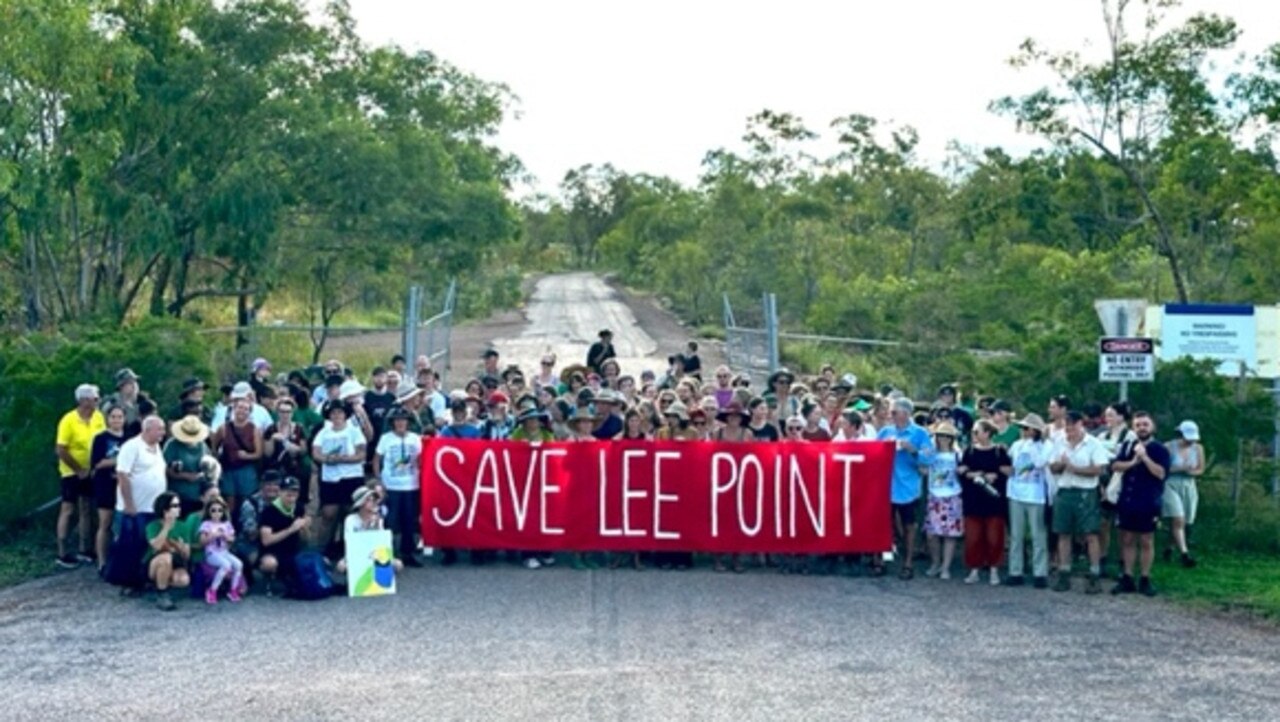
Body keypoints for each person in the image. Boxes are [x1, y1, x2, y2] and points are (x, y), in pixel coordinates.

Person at [1049, 410, 1112, 594]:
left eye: (1072, 428)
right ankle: (1064, 572)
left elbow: (1098, 469)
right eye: (1067, 428)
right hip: (1065, 491)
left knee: (1091, 534)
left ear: (1080, 425)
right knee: (1063, 533)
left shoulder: (1093, 444)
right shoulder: (1059, 441)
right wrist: (1061, 465)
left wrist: (1074, 468)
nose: (1069, 432)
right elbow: (1052, 466)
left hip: (1085, 492)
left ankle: (1094, 574)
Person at [1110, 412, 1170, 597]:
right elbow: (1115, 466)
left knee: (1146, 540)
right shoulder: (1128, 446)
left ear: (1152, 427)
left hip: (1149, 501)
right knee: (1127, 538)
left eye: (1145, 424)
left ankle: (1145, 578)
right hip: (1128, 499)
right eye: (1138, 425)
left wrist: (1144, 458)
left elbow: (1161, 473)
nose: (1141, 428)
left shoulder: (1160, 449)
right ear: (1133, 428)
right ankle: (1127, 576)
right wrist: (1133, 461)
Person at [876, 397, 933, 579]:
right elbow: (873, 454)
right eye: (890, 412)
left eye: (894, 412)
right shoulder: (885, 431)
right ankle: (883, 559)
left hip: (908, 488)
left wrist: (913, 450)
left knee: (910, 527)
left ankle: (908, 563)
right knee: (884, 526)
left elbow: (929, 459)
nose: (891, 415)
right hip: (887, 486)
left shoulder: (920, 433)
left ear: (906, 414)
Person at [55, 384, 106, 568]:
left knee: (86, 507)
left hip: (91, 470)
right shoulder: (69, 420)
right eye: (95, 398)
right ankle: (62, 552)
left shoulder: (99, 417)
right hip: (71, 471)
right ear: (84, 400)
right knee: (68, 509)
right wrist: (78, 470)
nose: (98, 401)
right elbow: (60, 449)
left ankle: (85, 548)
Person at [958, 419, 1011, 586]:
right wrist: (973, 475)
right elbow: (961, 471)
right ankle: (974, 569)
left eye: (977, 431)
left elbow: (1008, 471)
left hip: (994, 501)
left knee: (994, 537)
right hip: (973, 501)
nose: (974, 435)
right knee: (973, 538)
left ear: (987, 433)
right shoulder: (969, 451)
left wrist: (994, 475)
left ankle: (994, 568)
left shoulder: (999, 451)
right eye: (973, 432)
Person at [312, 400, 367, 559]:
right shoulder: (323, 432)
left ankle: (349, 548)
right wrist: (327, 459)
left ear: (345, 415)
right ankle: (323, 550)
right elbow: (316, 452)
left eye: (340, 412)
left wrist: (343, 459)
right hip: (330, 478)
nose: (336, 416)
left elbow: (361, 454)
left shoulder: (354, 431)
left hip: (352, 477)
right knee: (329, 513)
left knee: (349, 512)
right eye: (333, 413)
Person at [1005, 413, 1054, 588]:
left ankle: (1040, 572)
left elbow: (1040, 463)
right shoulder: (1017, 445)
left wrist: (1034, 444)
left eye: (1027, 429)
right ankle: (1015, 570)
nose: (1024, 432)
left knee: (1038, 535)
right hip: (1016, 492)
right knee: (1016, 535)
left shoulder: (1046, 446)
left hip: (1036, 494)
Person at [374, 408, 423, 567]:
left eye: (403, 419)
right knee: (390, 520)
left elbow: (421, 458)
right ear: (392, 423)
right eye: (397, 420)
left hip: (411, 484)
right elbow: (376, 459)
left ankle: (408, 552)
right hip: (391, 485)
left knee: (409, 520)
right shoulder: (385, 439)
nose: (400, 422)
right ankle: (387, 553)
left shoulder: (416, 439)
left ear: (408, 422)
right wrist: (378, 479)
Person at [714, 402, 754, 574]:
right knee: (720, 520)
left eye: (737, 416)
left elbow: (755, 455)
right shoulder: (718, 433)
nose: (734, 419)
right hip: (721, 480)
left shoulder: (747, 434)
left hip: (741, 479)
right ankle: (719, 557)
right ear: (726, 417)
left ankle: (737, 558)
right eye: (731, 416)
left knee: (738, 519)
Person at [117, 416, 169, 547]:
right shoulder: (131, 446)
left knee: (148, 545)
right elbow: (123, 475)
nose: (163, 432)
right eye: (160, 429)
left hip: (153, 507)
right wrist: (129, 504)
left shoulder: (157, 447)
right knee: (132, 545)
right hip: (137, 508)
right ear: (147, 430)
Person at [89, 404, 127, 571]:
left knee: (123, 524)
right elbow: (97, 463)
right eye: (113, 417)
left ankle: (119, 561)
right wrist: (120, 460)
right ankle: (102, 561)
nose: (116, 420)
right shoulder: (100, 438)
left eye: (120, 417)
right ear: (107, 419)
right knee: (105, 522)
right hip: (105, 484)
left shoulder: (130, 439)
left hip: (124, 485)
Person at [923, 422, 963, 580]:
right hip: (934, 495)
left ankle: (946, 567)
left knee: (950, 534)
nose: (943, 439)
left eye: (947, 436)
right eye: (940, 435)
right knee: (931, 534)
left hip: (952, 495)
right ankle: (935, 562)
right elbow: (923, 469)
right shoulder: (931, 454)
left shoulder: (958, 455)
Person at [1162, 420, 1203, 568]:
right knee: (1177, 517)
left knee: (1184, 521)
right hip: (1170, 484)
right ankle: (1185, 554)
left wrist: (1190, 471)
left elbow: (1200, 469)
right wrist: (1178, 468)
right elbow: (1162, 470)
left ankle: (1169, 547)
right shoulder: (1168, 447)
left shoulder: (1197, 448)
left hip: (1188, 484)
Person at [258, 476, 309, 594]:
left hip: (294, 549)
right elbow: (266, 540)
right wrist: (291, 529)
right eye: (288, 494)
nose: (291, 498)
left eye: (294, 495)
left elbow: (306, 539)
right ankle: (269, 579)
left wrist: (305, 528)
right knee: (269, 564)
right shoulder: (269, 511)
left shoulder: (299, 508)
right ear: (280, 493)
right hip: (273, 551)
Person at [212, 398, 263, 516]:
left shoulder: (253, 429)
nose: (242, 411)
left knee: (246, 501)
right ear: (234, 409)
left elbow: (258, 453)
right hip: (228, 469)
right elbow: (214, 448)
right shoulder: (224, 428)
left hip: (246, 469)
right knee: (229, 502)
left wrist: (247, 456)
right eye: (240, 407)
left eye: (246, 409)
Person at [145, 491, 193, 611]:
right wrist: (166, 527)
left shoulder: (183, 526)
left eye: (179, 505)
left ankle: (160, 584)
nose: (178, 509)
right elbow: (156, 546)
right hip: (155, 562)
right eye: (175, 506)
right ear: (165, 508)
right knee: (165, 557)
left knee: (183, 580)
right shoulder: (152, 526)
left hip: (175, 562)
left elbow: (187, 556)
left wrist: (181, 547)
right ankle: (162, 593)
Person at [263, 397, 311, 506]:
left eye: (288, 412)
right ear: (278, 412)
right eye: (282, 411)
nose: (285, 415)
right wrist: (272, 439)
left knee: (296, 499)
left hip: (295, 469)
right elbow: (267, 453)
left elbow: (304, 450)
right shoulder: (271, 429)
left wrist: (293, 447)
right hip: (277, 469)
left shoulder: (299, 428)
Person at [198, 496, 244, 604]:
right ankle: (212, 590)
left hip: (224, 552)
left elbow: (232, 539)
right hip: (211, 553)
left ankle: (233, 590)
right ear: (209, 512)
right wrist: (212, 535)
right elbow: (202, 542)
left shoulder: (226, 524)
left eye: (220, 510)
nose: (217, 513)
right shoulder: (206, 524)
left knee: (238, 564)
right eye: (213, 510)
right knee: (226, 565)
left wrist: (226, 536)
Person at [164, 416, 213, 516]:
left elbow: (210, 466)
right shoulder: (172, 445)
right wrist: (185, 476)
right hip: (177, 495)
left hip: (198, 495)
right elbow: (165, 469)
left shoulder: (202, 446)